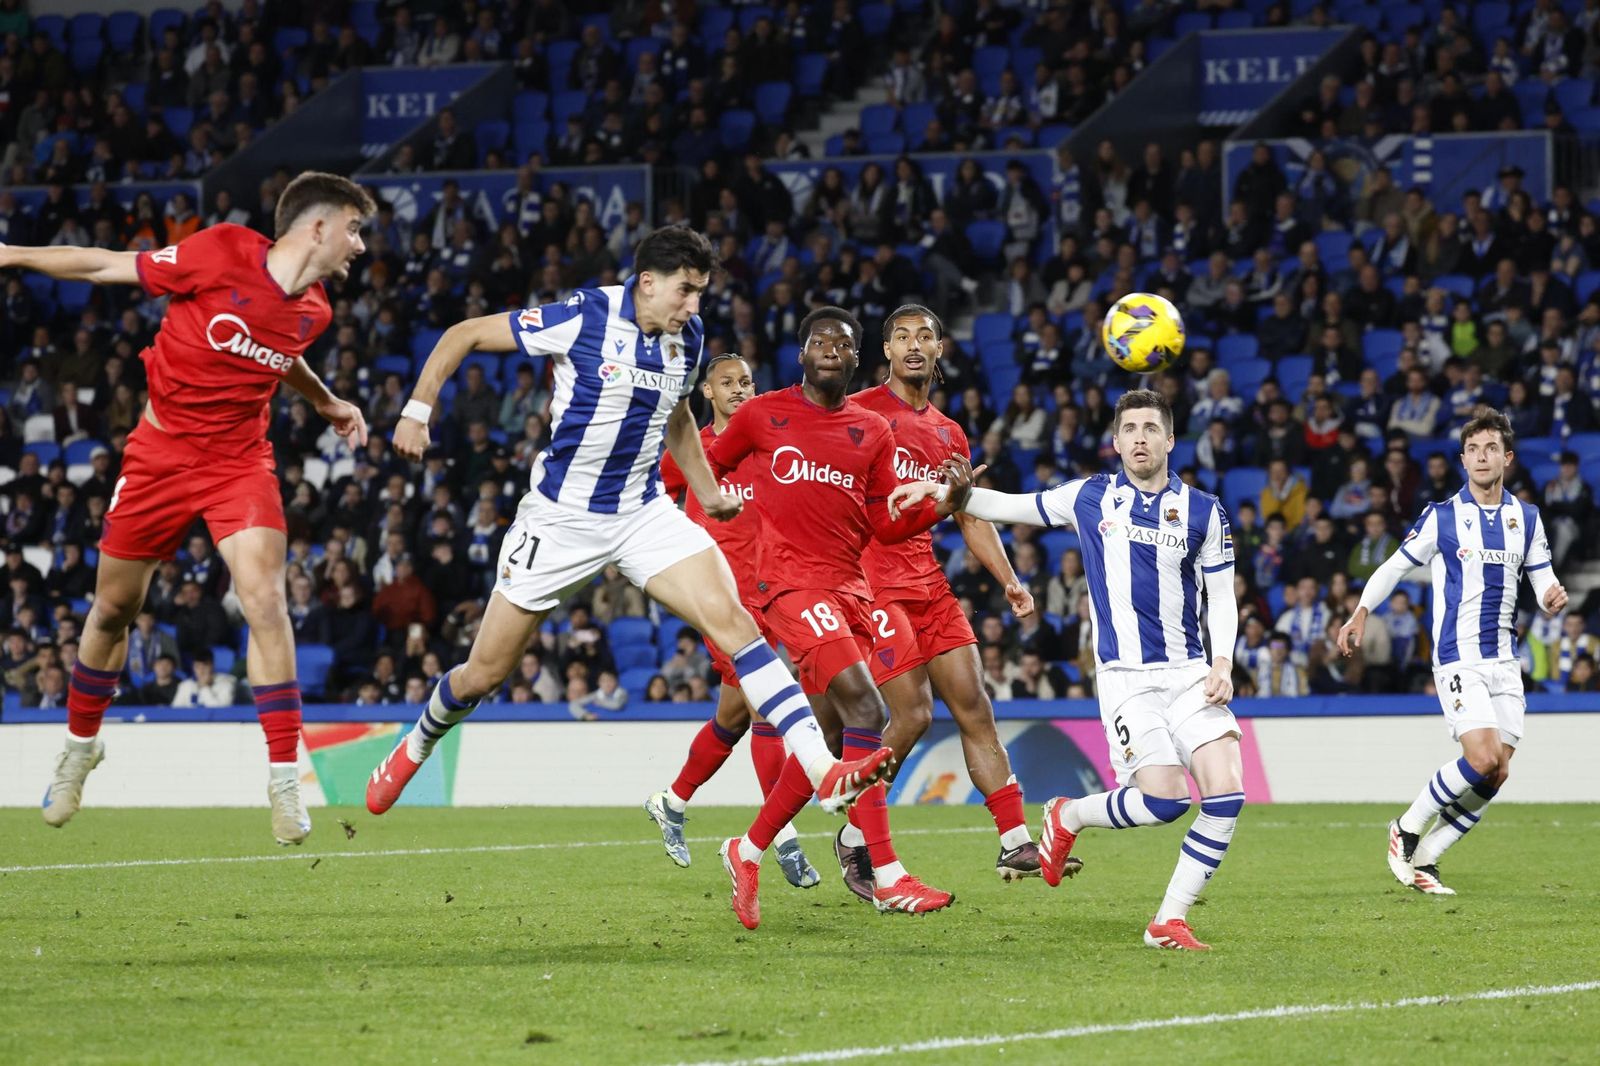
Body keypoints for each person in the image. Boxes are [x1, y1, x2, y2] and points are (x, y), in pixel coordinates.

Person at [364, 228, 893, 832]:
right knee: (484, 672)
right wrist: (417, 410)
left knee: (740, 628)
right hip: (561, 520)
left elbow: (678, 419)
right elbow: (463, 334)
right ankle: (418, 742)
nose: (695, 307)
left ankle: (823, 769)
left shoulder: (687, 340)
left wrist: (709, 490)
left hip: (642, 515)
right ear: (648, 282)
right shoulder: (586, 316)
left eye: (701, 293)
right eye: (686, 291)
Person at [5, 171, 375, 845]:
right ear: (317, 226)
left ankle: (285, 779)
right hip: (159, 454)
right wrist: (13, 255)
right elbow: (102, 265)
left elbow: (279, 353)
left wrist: (324, 400)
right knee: (113, 608)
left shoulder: (316, 310)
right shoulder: (222, 250)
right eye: (354, 229)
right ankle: (81, 746)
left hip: (238, 463)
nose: (359, 245)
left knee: (264, 598)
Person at [891, 388, 1244, 951]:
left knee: (1226, 794)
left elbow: (1221, 596)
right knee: (1167, 802)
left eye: (1151, 429)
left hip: (1190, 674)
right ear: (1115, 441)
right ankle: (1070, 814)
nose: (1140, 439)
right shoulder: (1091, 497)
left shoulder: (1205, 510)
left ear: (1171, 440)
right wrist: (947, 492)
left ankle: (1167, 921)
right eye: (1129, 429)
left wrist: (1223, 661)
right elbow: (1011, 505)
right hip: (1128, 681)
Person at [708, 306, 955, 930]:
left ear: (854, 359)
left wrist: (944, 506)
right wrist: (702, 524)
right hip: (788, 587)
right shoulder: (762, 414)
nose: (830, 350)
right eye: (819, 342)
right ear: (801, 354)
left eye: (842, 344)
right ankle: (888, 873)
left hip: (853, 591)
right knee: (871, 712)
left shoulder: (872, 430)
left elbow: (883, 523)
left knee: (832, 741)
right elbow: (701, 468)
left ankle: (748, 848)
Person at [1338, 409, 1566, 896]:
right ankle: (1406, 828)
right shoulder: (1442, 517)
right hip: (1458, 657)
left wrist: (1551, 595)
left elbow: (1542, 576)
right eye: (1473, 450)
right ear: (1463, 460)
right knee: (1481, 758)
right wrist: (1360, 610)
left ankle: (1428, 859)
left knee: (1499, 770)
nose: (1481, 457)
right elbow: (1395, 567)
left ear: (1506, 457)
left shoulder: (1526, 518)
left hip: (1504, 659)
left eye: (1490, 449)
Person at [851, 304, 1041, 884]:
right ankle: (857, 835)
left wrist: (1008, 579)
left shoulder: (947, 432)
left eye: (925, 336)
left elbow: (970, 518)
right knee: (910, 717)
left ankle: (1016, 840)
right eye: (901, 336)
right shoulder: (856, 414)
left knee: (975, 706)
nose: (913, 344)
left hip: (929, 585)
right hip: (873, 582)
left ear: (938, 352)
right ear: (886, 351)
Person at [643, 353, 821, 889]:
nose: (740, 389)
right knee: (765, 714)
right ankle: (783, 842)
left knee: (733, 719)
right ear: (706, 393)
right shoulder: (690, 451)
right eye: (728, 382)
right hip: (721, 601)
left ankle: (670, 801)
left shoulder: (767, 447)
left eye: (747, 380)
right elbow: (650, 500)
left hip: (771, 595)